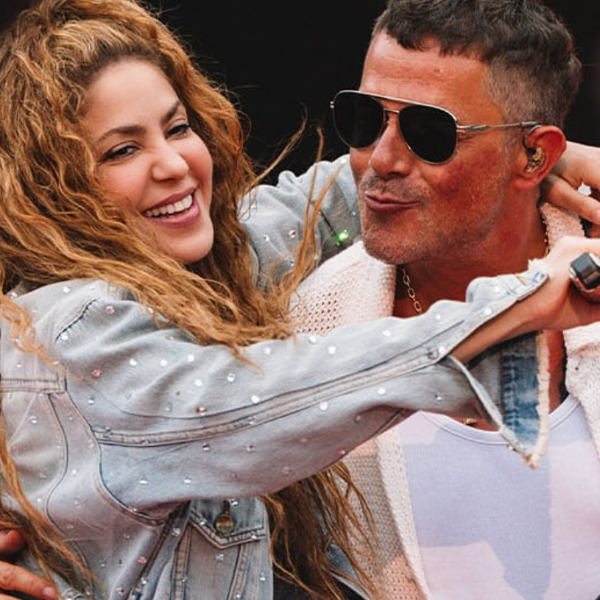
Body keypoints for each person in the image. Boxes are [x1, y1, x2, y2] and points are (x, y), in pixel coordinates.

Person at [4, 1, 600, 600]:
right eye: (121, 151)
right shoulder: (73, 333)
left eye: (178, 128)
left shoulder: (205, 271)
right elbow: (271, 402)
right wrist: (516, 307)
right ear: (48, 187)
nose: (173, 164)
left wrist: (516, 157)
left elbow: (324, 205)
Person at [282, 0, 600, 598]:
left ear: (535, 154)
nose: (380, 160)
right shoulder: (308, 324)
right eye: (364, 118)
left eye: (430, 133)